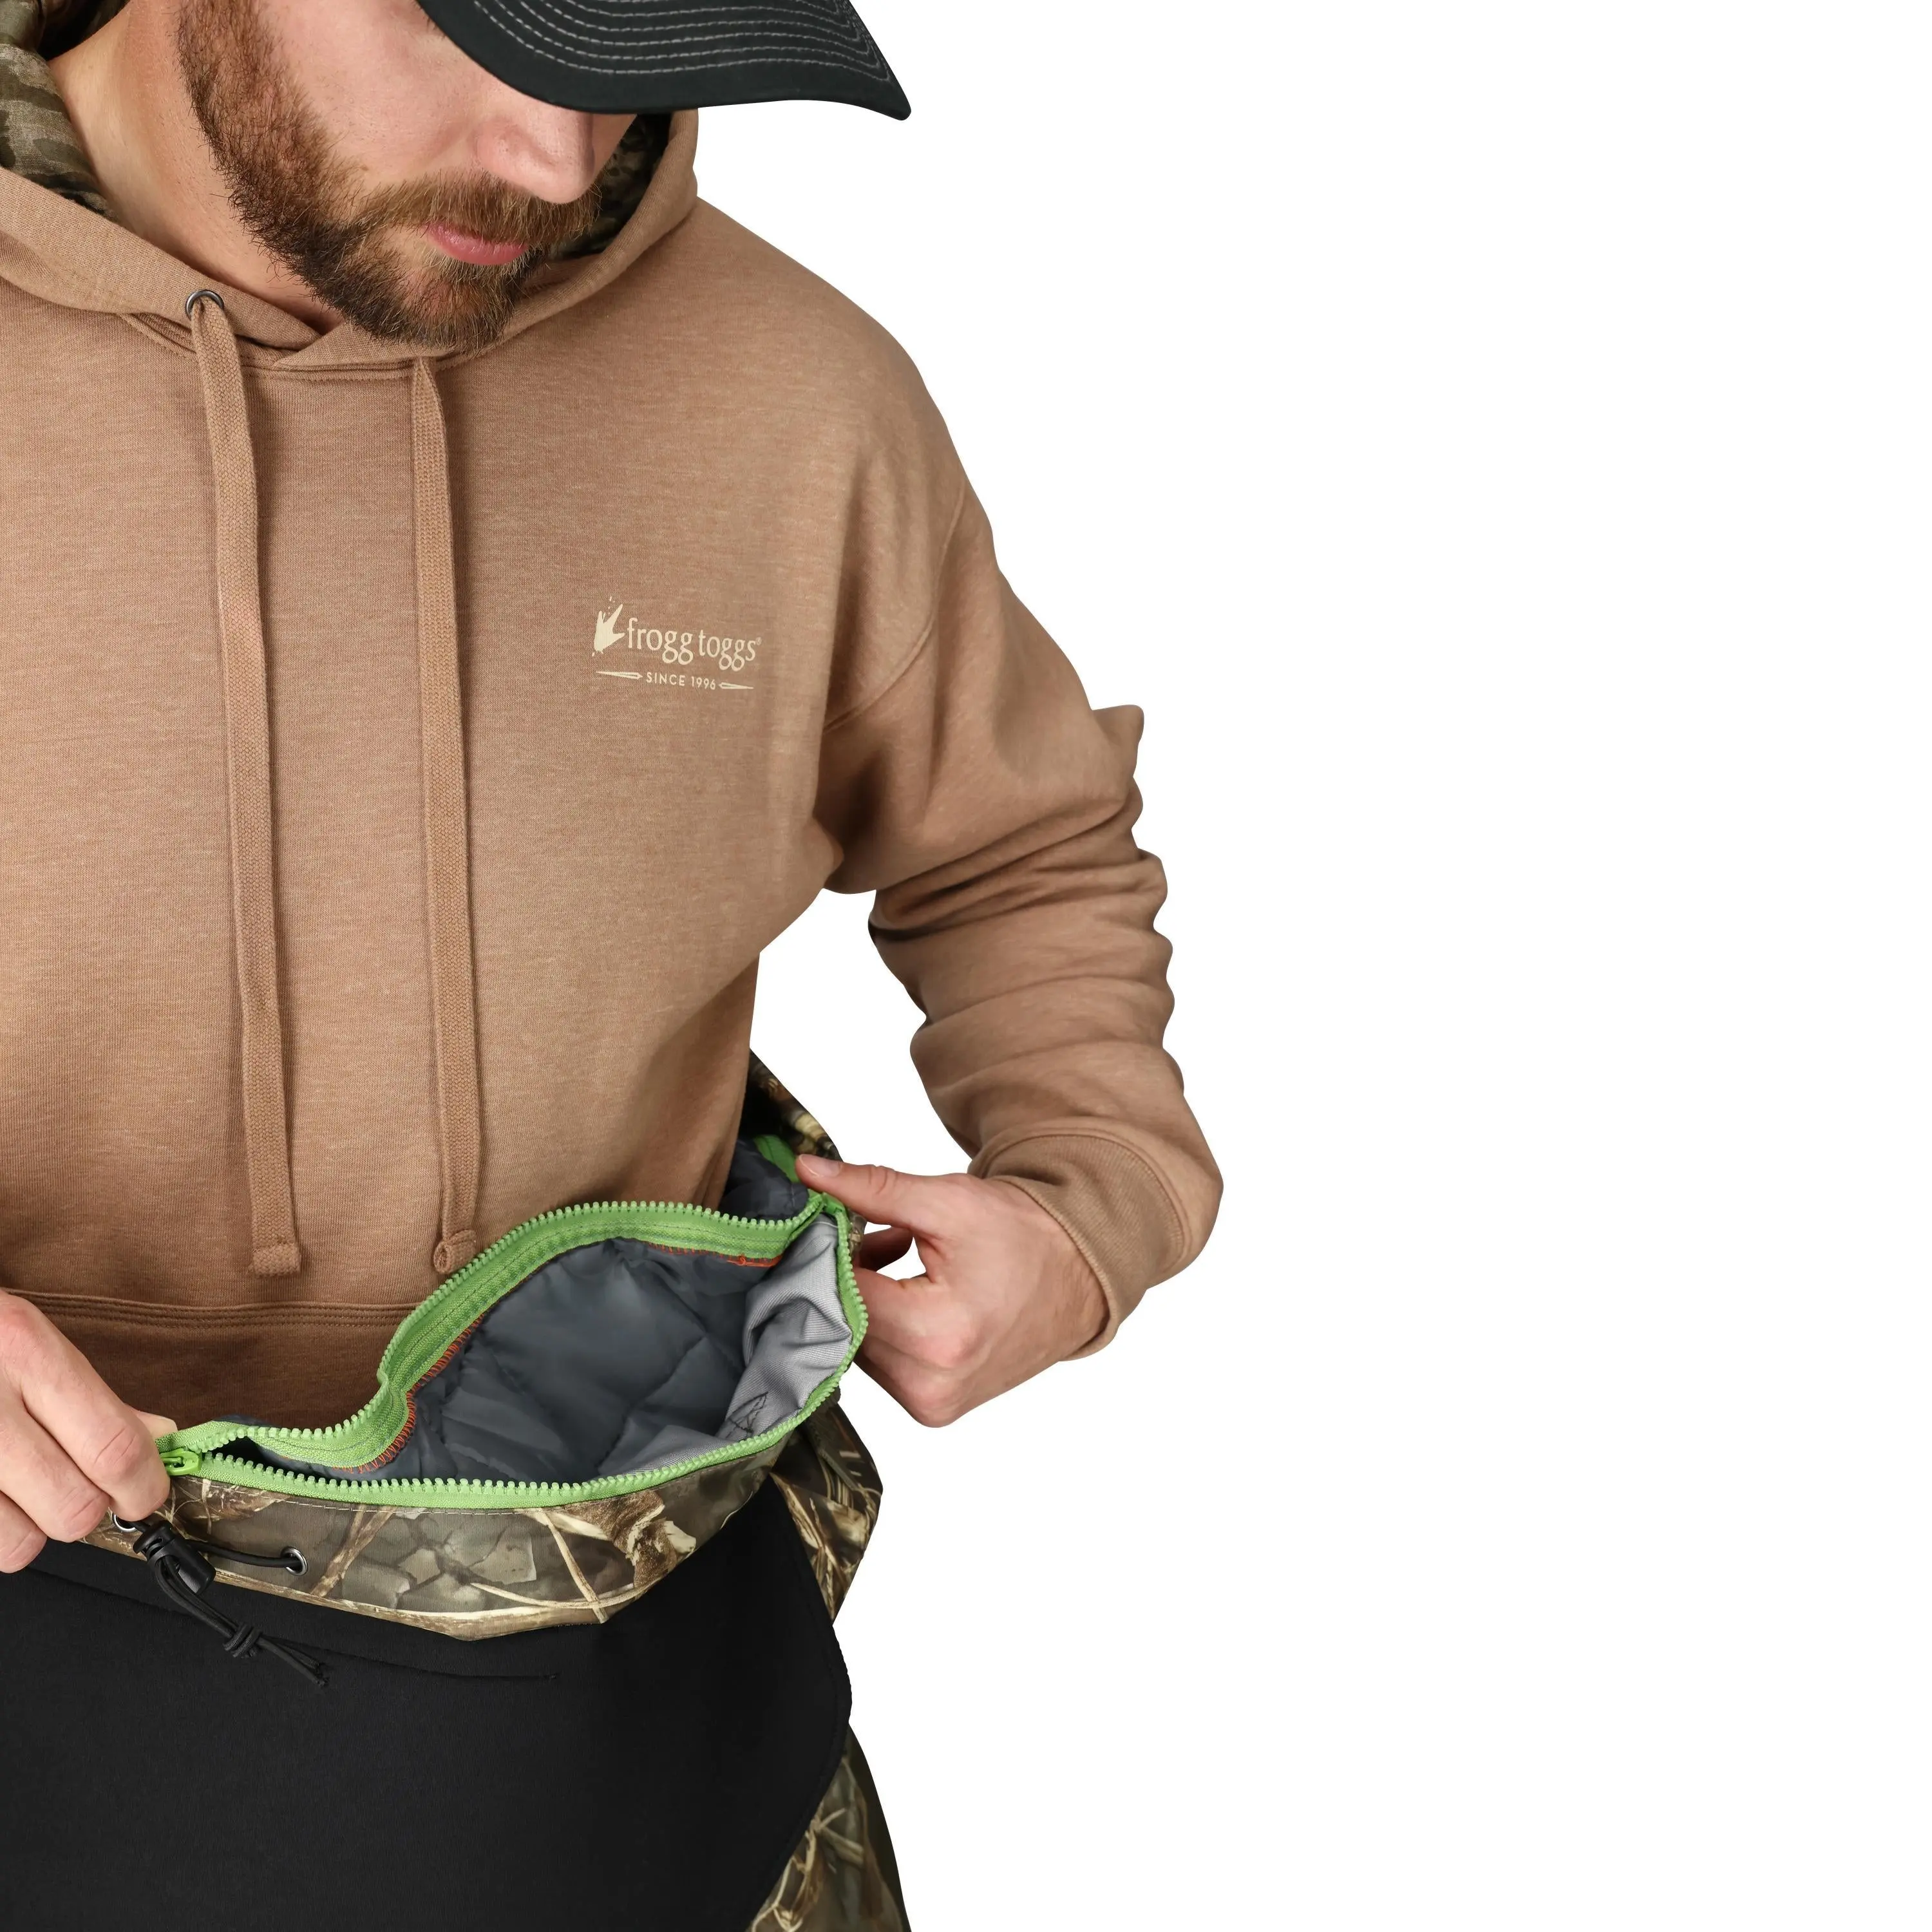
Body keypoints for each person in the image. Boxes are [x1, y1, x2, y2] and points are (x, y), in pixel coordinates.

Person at [0, 0, 1220, 1924]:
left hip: (618, 1765)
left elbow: (1017, 843)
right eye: (485, 30)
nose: (564, 156)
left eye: (643, 48)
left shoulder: (794, 395)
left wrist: (1091, 1196)